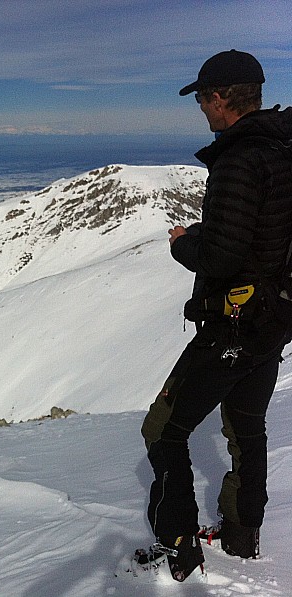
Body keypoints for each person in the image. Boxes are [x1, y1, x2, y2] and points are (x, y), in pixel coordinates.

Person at [141, 49, 292, 582]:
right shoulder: (282, 148)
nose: (201, 107)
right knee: (246, 426)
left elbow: (223, 257)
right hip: (275, 318)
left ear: (224, 96)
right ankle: (243, 532)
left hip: (235, 323)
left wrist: (184, 244)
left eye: (204, 96)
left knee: (163, 431)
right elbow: (259, 236)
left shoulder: (239, 157)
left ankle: (177, 547)